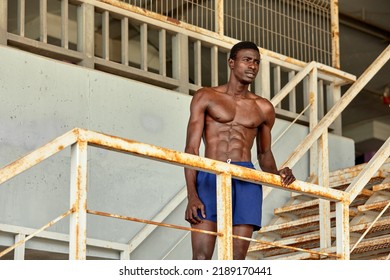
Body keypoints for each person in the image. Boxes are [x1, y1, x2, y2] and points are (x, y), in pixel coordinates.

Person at [184, 41, 296, 260]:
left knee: (236, 260)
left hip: (247, 179)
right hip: (210, 174)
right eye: (247, 60)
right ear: (232, 63)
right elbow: (191, 148)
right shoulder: (205, 96)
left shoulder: (263, 107)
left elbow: (264, 154)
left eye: (256, 62)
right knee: (201, 257)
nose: (252, 66)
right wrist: (192, 195)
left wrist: (277, 173)